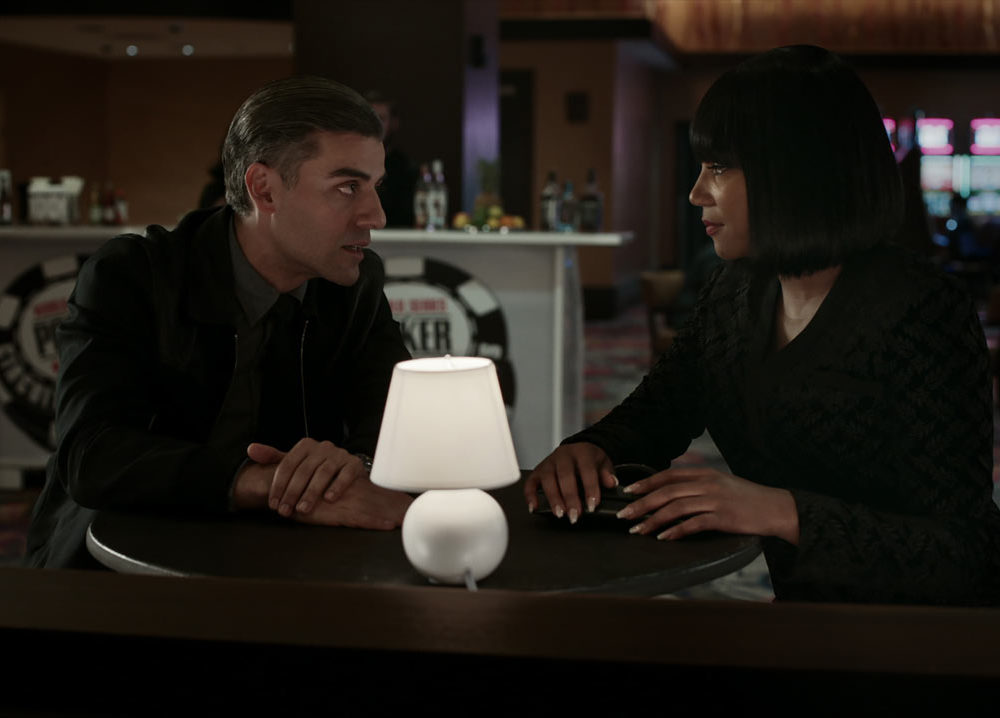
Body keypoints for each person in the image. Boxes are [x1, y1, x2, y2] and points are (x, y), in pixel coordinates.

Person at [524, 45, 1000, 605]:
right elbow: (657, 413)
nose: (696, 193)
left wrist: (781, 511)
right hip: (807, 622)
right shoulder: (736, 291)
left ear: (795, 173)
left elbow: (964, 551)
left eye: (719, 168)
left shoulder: (920, 308)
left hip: (931, 638)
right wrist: (590, 449)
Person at [26, 76, 413, 569]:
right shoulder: (134, 275)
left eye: (376, 187)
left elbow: (397, 417)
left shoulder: (354, 284)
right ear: (264, 189)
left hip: (281, 560)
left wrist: (355, 464)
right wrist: (265, 482)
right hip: (117, 562)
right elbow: (93, 455)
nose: (376, 216)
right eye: (347, 187)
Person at [364, 90, 417, 227]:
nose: (374, 125)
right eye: (369, 118)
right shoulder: (349, 162)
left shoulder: (406, 169)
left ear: (394, 123)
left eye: (381, 119)